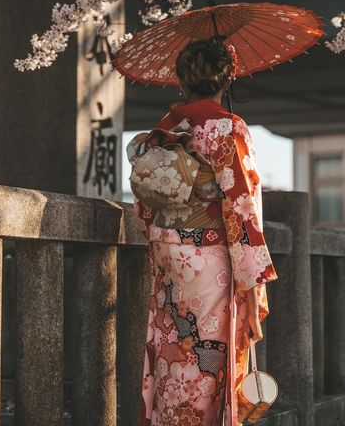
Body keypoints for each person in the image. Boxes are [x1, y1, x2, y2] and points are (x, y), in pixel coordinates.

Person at [130, 36, 279, 426]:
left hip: (167, 258)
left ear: (181, 81)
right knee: (207, 361)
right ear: (226, 80)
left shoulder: (163, 129)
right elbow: (241, 205)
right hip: (208, 265)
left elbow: (146, 207)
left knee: (171, 354)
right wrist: (251, 285)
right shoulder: (227, 127)